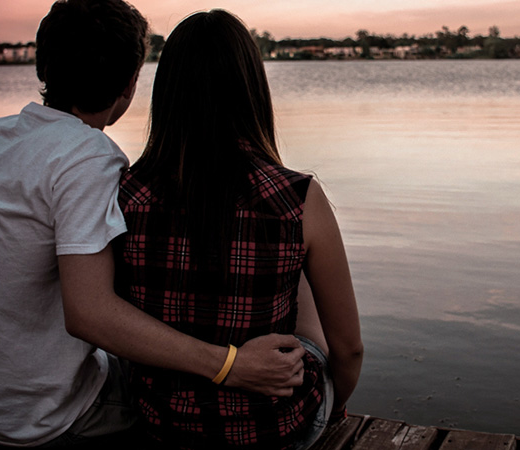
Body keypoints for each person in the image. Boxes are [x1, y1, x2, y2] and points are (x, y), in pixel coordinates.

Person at [0, 1, 306, 447]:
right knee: (172, 391)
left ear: (44, 66)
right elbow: (90, 315)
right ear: (130, 84)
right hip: (36, 418)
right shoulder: (88, 157)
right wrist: (228, 364)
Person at [112, 10, 364, 450]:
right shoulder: (298, 197)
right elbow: (349, 351)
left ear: (167, 92)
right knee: (299, 257)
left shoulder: (125, 193)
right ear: (252, 89)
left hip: (161, 425)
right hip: (273, 431)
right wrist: (336, 407)